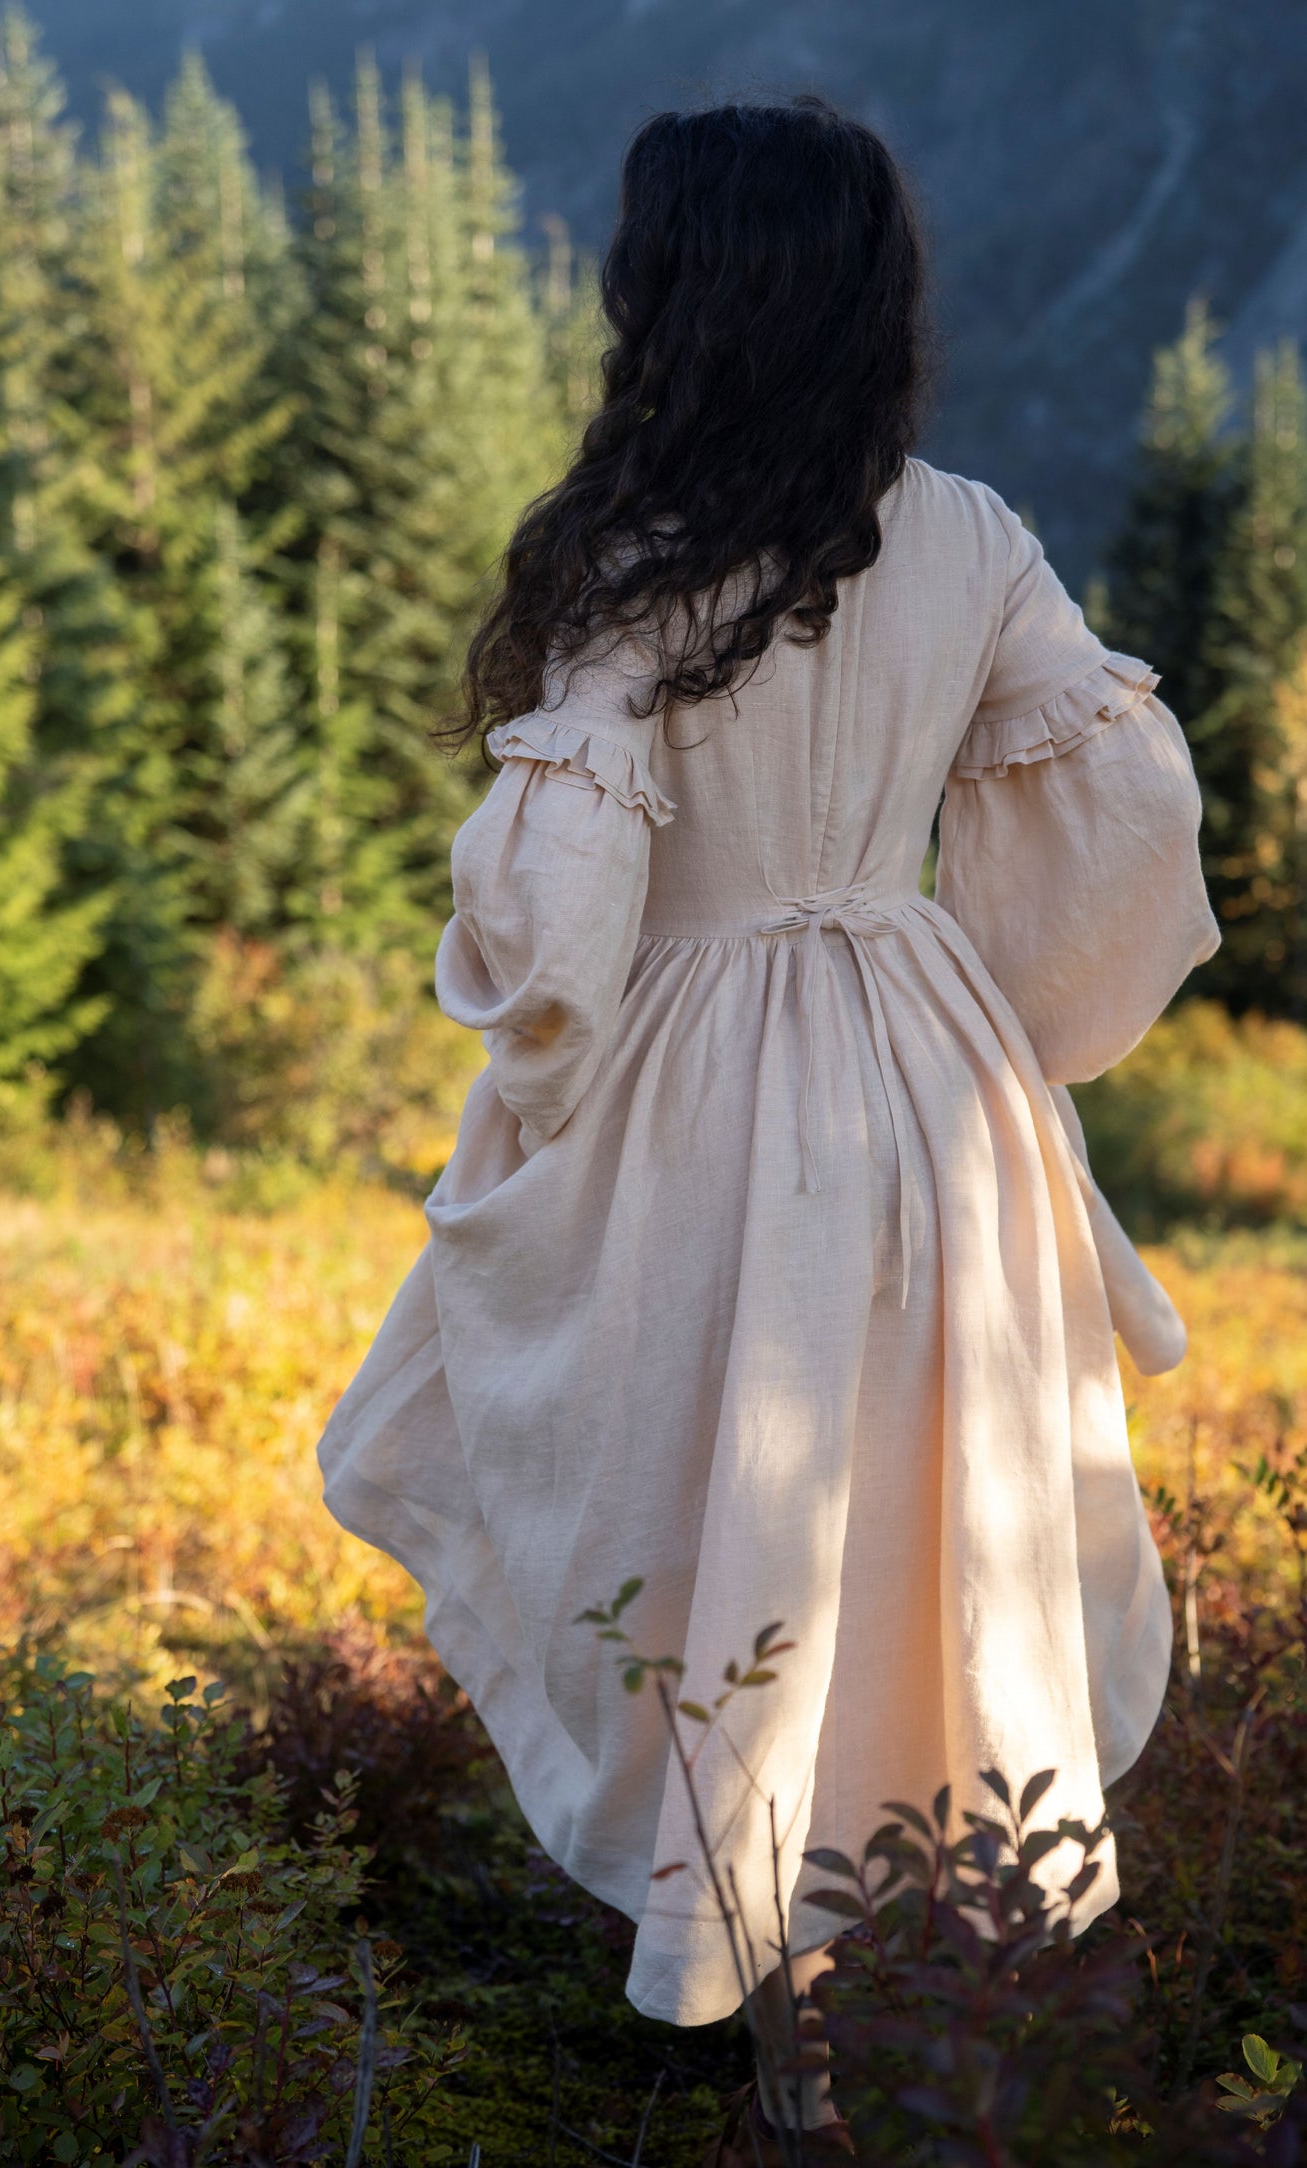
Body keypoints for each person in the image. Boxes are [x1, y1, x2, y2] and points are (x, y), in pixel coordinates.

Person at [315, 96, 1219, 2162]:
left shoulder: (639, 567)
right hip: (931, 1075)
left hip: (703, 1081)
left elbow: (562, 919)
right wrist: (1012, 993)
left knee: (715, 1502)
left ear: (677, 299)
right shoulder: (974, 535)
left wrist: (543, 1059)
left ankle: (785, 1989)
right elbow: (1129, 812)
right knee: (928, 1505)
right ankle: (956, 2003)